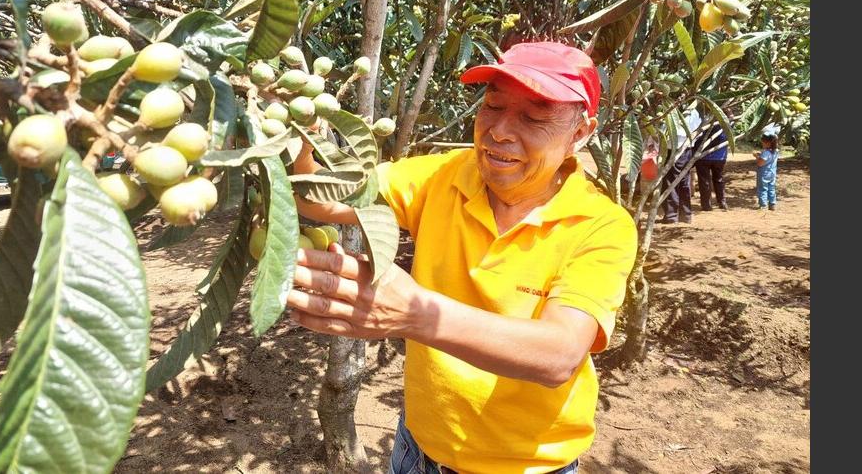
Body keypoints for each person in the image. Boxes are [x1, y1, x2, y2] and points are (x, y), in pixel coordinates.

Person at [287, 42, 638, 474]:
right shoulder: (445, 175)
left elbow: (559, 354)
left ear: (580, 133)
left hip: (526, 467)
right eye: (492, 105)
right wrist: (296, 128)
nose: (500, 131)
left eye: (534, 115)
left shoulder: (601, 224)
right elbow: (320, 198)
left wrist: (416, 313)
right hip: (420, 448)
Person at [661, 107, 701, 224]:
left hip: (674, 148)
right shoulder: (693, 110)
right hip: (687, 149)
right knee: (684, 182)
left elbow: (663, 129)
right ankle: (685, 215)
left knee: (670, 182)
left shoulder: (673, 109)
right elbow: (698, 131)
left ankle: (671, 215)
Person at [694, 123, 729, 211]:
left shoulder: (705, 123)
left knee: (704, 181)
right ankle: (722, 202)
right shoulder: (725, 125)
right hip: (719, 157)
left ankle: (706, 204)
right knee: (719, 179)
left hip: (704, 157)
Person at [753, 130, 780, 210]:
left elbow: (760, 163)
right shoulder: (775, 151)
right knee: (771, 188)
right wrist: (760, 155)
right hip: (772, 174)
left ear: (768, 143)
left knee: (762, 189)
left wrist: (756, 157)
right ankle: (772, 204)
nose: (762, 144)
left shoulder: (765, 153)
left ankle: (763, 205)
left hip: (764, 174)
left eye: (763, 142)